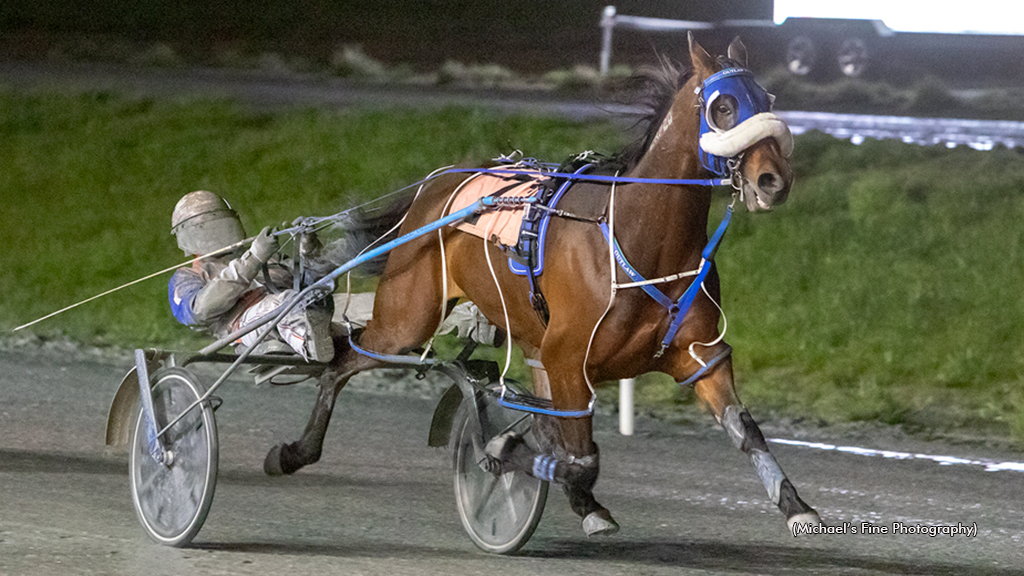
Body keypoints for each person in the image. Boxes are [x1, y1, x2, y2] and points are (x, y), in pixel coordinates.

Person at [168, 190, 335, 362]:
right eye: (209, 230)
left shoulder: (266, 257)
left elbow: (313, 283)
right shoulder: (186, 277)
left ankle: (324, 333)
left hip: (291, 311)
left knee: (311, 299)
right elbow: (200, 311)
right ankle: (309, 342)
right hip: (243, 325)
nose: (218, 234)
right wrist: (254, 259)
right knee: (284, 303)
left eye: (222, 226)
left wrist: (309, 248)